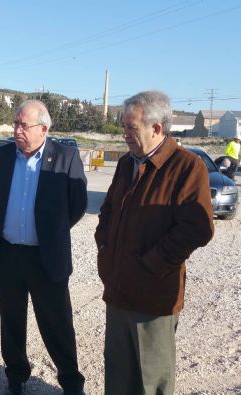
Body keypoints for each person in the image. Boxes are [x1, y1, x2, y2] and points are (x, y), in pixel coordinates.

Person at [95, 91, 214, 395]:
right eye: (124, 127)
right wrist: (106, 249)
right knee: (119, 376)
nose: (124, 135)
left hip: (153, 297)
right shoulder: (126, 164)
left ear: (157, 128)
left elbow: (198, 228)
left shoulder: (187, 167)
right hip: (118, 291)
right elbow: (107, 210)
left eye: (131, 128)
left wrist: (151, 265)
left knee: (152, 381)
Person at [0, 100, 87, 395]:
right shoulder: (1, 157)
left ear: (44, 129)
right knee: (12, 321)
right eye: (15, 123)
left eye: (23, 125)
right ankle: (16, 376)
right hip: (9, 255)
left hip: (46, 257)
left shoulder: (66, 157)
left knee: (57, 324)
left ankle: (71, 382)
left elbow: (78, 205)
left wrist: (50, 231)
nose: (16, 130)